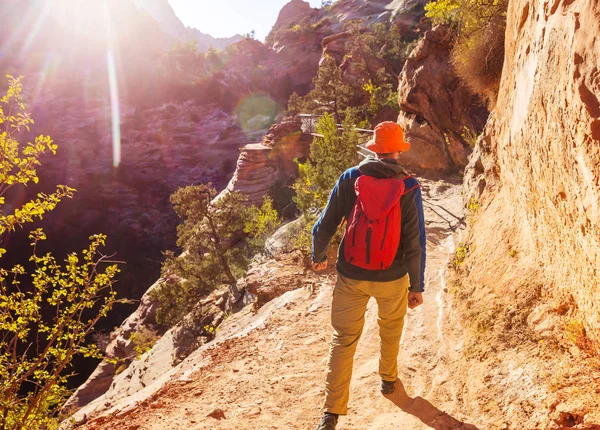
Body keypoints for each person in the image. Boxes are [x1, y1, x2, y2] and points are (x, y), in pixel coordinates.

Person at [312, 121, 426, 430]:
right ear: (398, 150)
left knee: (344, 339)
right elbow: (415, 241)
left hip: (351, 273)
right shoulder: (409, 186)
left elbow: (325, 223)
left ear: (374, 148)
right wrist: (417, 285)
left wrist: (319, 255)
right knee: (390, 329)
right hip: (393, 277)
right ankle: (389, 381)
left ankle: (331, 413)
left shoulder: (351, 178)